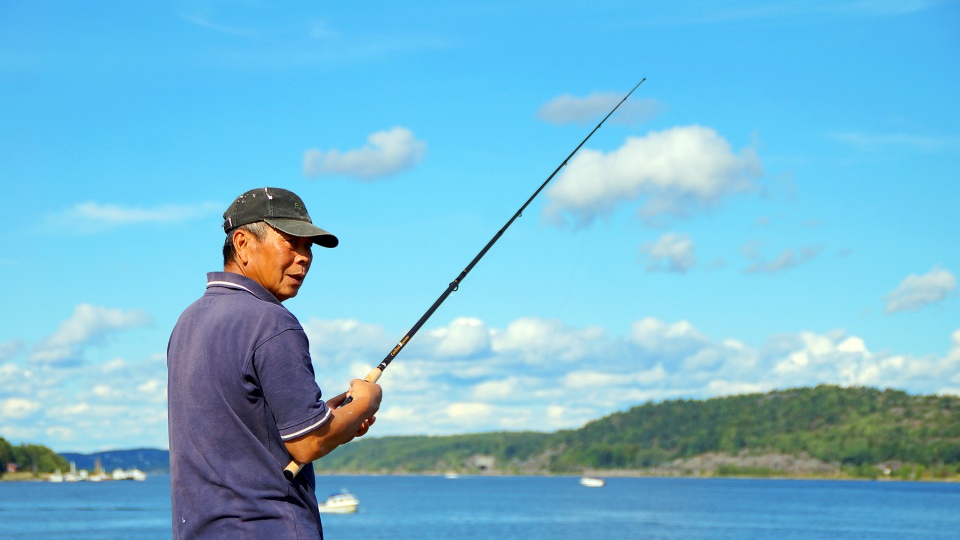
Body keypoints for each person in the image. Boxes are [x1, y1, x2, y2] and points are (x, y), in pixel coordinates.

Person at [167, 186, 381, 539]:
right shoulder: (271, 321)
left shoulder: (188, 320)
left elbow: (243, 427)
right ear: (242, 243)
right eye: (291, 242)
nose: (304, 257)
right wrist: (366, 401)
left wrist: (333, 418)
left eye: (308, 246)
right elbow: (308, 443)